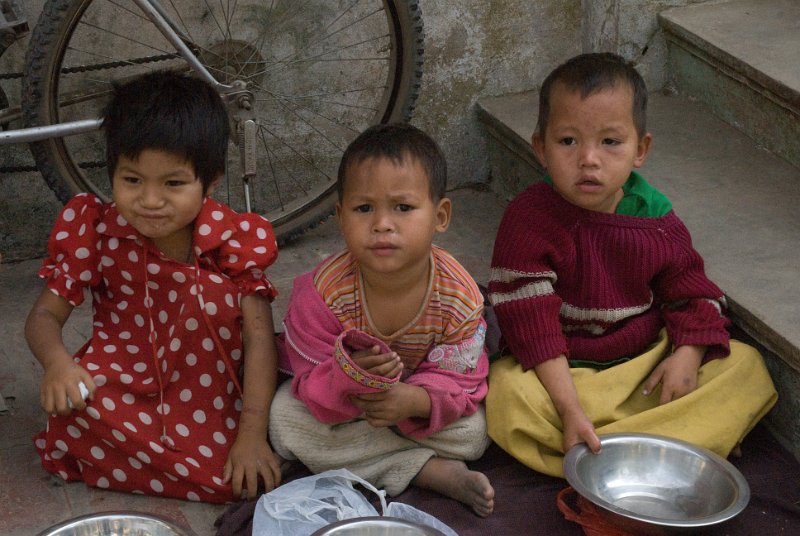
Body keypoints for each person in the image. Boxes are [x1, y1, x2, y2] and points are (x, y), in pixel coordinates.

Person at [486, 52, 777, 477]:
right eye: (568, 141)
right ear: (540, 148)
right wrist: (568, 408)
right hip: (564, 372)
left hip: (642, 367)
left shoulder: (655, 218)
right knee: (506, 394)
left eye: (610, 142)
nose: (589, 159)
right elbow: (531, 325)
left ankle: (599, 451)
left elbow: (693, 292)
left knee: (747, 368)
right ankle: (671, 442)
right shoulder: (529, 218)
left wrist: (689, 355)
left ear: (640, 150)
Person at [25, 70, 283, 503]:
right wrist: (58, 364)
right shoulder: (95, 231)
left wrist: (252, 435)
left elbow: (260, 342)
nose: (149, 200)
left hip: (208, 390)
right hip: (122, 379)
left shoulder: (233, 242)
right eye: (132, 180)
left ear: (211, 181)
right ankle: (157, 459)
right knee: (75, 414)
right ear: (112, 173)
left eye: (173, 183)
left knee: (237, 470)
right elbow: (44, 316)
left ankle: (165, 461)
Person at [268, 123, 495, 517]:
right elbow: (310, 376)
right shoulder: (323, 293)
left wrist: (415, 400)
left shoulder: (459, 297)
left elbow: (462, 378)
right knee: (285, 423)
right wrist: (350, 378)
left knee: (475, 434)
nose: (382, 224)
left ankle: (386, 461)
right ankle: (423, 469)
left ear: (440, 216)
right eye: (363, 208)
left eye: (403, 208)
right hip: (350, 408)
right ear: (341, 217)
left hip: (418, 406)